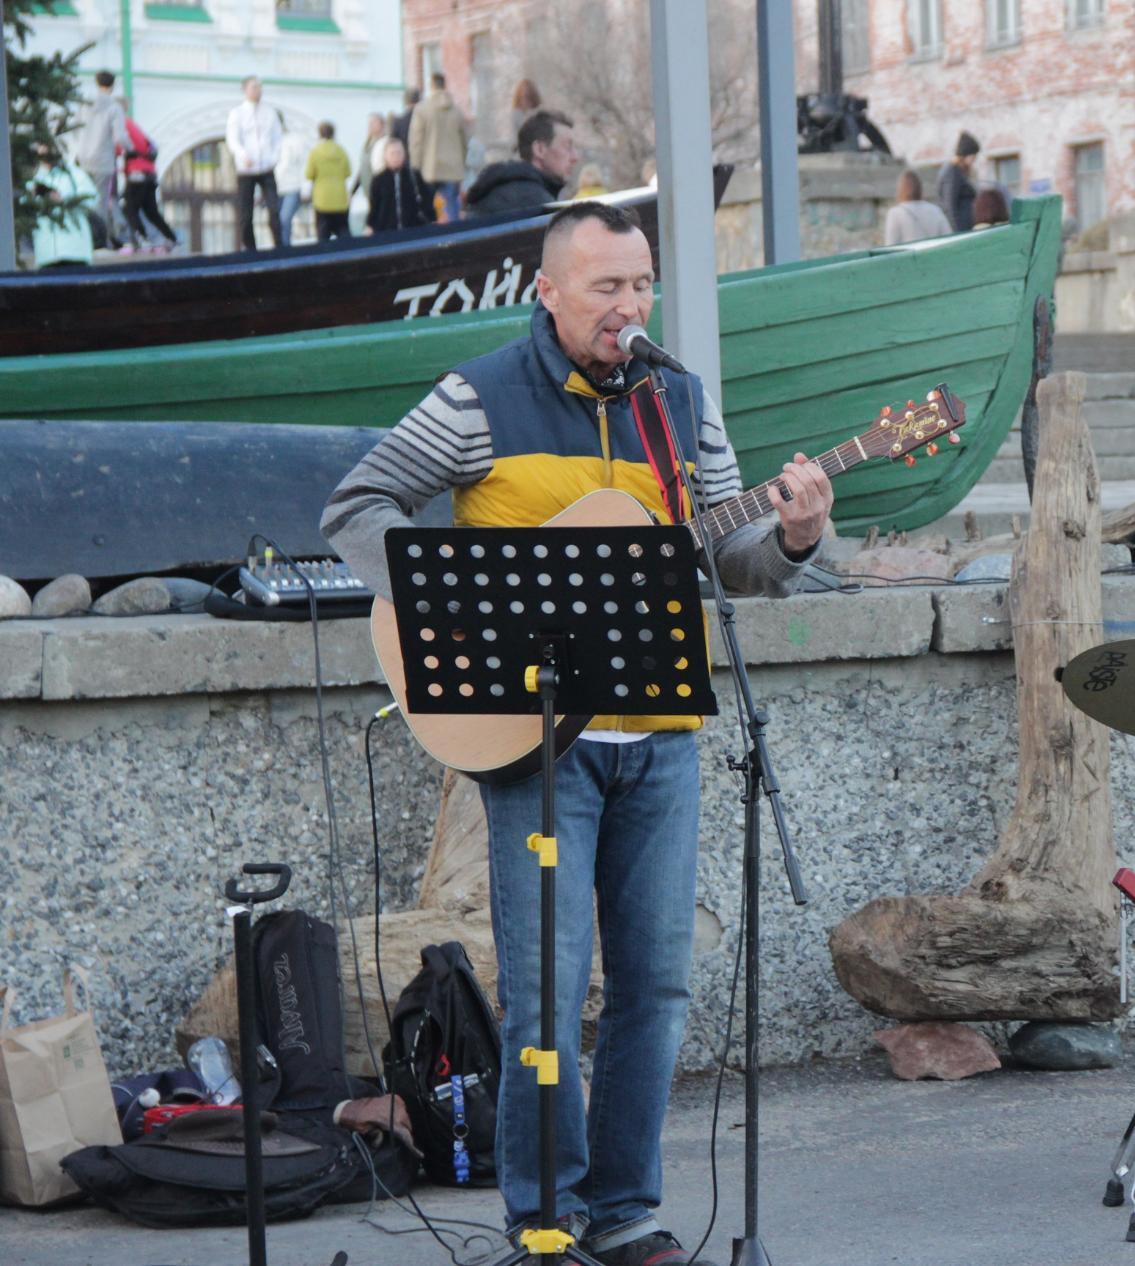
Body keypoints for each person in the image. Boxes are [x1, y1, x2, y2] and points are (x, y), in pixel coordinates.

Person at [320, 200, 832, 1266]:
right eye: (606, 287)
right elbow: (358, 504)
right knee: (546, 998)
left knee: (655, 987)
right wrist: (446, 603)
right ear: (546, 292)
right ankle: (542, 1220)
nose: (628, 307)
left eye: (640, 284)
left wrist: (794, 533)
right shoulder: (478, 398)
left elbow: (722, 560)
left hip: (661, 736)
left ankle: (626, 1210)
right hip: (534, 748)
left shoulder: (677, 402)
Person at [464, 109, 578, 217]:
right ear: (540, 150)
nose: (575, 157)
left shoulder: (499, 190)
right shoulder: (536, 204)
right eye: (567, 146)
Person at [226, 76, 285, 249]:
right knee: (246, 214)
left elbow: (277, 138)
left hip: (266, 168)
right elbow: (233, 140)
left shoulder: (269, 112)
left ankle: (279, 246)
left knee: (274, 210)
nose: (258, 90)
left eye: (259, 87)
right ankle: (250, 250)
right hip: (246, 170)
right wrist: (243, 155)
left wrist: (274, 159)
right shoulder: (237, 113)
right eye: (254, 87)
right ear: (245, 89)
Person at [74, 69, 127, 247]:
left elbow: (74, 128)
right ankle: (99, 242)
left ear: (97, 83)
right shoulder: (114, 107)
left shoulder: (84, 104)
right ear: (112, 85)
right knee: (101, 203)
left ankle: (82, 239)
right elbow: (119, 137)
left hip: (82, 158)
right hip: (103, 161)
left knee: (82, 200)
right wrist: (132, 149)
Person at [115, 106, 177, 254]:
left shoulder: (121, 124)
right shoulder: (133, 125)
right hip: (149, 172)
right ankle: (171, 237)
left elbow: (118, 146)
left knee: (129, 207)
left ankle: (141, 239)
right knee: (150, 210)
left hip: (137, 173)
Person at [409, 72, 469, 222]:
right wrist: (461, 161)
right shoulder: (457, 111)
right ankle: (457, 240)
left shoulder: (422, 109)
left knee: (431, 209)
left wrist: (415, 165)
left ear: (431, 86)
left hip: (430, 167)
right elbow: (464, 140)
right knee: (452, 207)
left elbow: (416, 140)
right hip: (453, 167)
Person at [29, 143, 96, 268]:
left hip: (75, 251)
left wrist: (64, 200)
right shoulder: (33, 179)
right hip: (46, 253)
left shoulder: (74, 174)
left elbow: (91, 199)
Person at [366, 137, 430, 233]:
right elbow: (374, 207)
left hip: (414, 230)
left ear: (404, 154)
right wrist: (370, 226)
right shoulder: (378, 180)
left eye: (399, 153)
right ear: (385, 156)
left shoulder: (414, 176)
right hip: (386, 232)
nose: (396, 157)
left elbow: (426, 200)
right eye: (392, 153)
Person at [305, 121, 353, 241]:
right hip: (340, 197)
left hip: (322, 199)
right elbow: (348, 172)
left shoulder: (315, 152)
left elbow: (309, 174)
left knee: (323, 234)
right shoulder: (341, 151)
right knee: (343, 231)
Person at [882, 170, 951, 244]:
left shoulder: (895, 213)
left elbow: (890, 244)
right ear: (920, 188)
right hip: (933, 254)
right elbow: (948, 238)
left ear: (900, 189)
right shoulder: (935, 210)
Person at [273, 119, 311, 248]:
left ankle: (284, 249)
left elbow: (304, 165)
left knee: (285, 219)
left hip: (292, 187)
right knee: (276, 222)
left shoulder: (294, 141)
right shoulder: (269, 142)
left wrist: (306, 188)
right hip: (275, 189)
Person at [936, 130, 980, 233]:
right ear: (965, 154)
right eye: (973, 156)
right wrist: (957, 233)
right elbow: (950, 206)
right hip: (960, 229)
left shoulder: (959, 171)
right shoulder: (952, 172)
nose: (974, 159)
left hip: (966, 227)